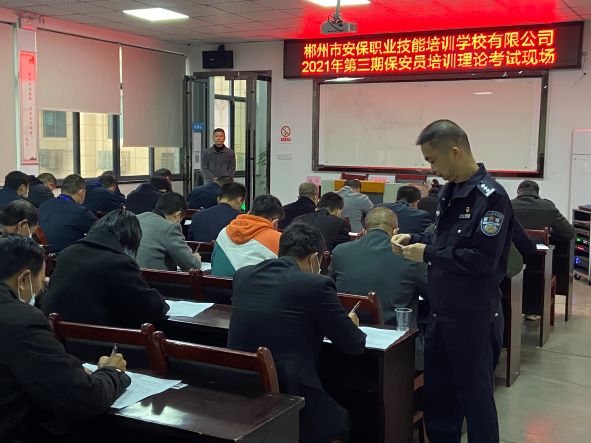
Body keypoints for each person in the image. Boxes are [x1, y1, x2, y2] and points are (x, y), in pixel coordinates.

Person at [391, 120, 513, 442]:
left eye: (433, 160)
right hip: (440, 314)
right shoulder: (448, 192)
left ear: (455, 152)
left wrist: (427, 253)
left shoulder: (492, 198)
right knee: (439, 401)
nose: (431, 168)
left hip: (473, 319)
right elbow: (442, 240)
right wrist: (415, 239)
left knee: (476, 402)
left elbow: (482, 259)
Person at [228, 222, 366, 443]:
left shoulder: (243, 276)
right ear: (314, 259)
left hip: (241, 386)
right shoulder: (316, 285)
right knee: (351, 417)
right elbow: (354, 344)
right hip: (292, 393)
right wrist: (351, 323)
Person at [0, 234, 130, 442]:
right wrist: (112, 372)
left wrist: (65, 369)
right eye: (41, 280)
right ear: (24, 279)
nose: (41, 289)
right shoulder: (22, 321)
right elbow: (84, 399)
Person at [332, 206, 428, 367]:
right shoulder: (409, 257)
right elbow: (433, 293)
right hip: (397, 351)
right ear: (395, 232)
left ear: (364, 230)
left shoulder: (340, 252)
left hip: (346, 347)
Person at [41, 209, 169, 328]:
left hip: (56, 334)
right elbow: (151, 308)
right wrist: (161, 299)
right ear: (130, 239)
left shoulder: (68, 253)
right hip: (97, 340)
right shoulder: (118, 263)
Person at [211, 194, 283, 277]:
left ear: (249, 213)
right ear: (275, 222)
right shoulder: (278, 239)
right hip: (251, 285)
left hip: (214, 285)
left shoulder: (224, 232)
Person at [136, 192, 201, 271]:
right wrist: (196, 258)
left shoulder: (136, 218)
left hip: (130, 275)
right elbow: (192, 266)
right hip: (154, 278)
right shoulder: (170, 228)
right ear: (177, 215)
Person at [38, 174, 97, 252]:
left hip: (45, 255)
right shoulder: (80, 211)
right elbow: (101, 232)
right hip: (70, 256)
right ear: (81, 191)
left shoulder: (43, 206)